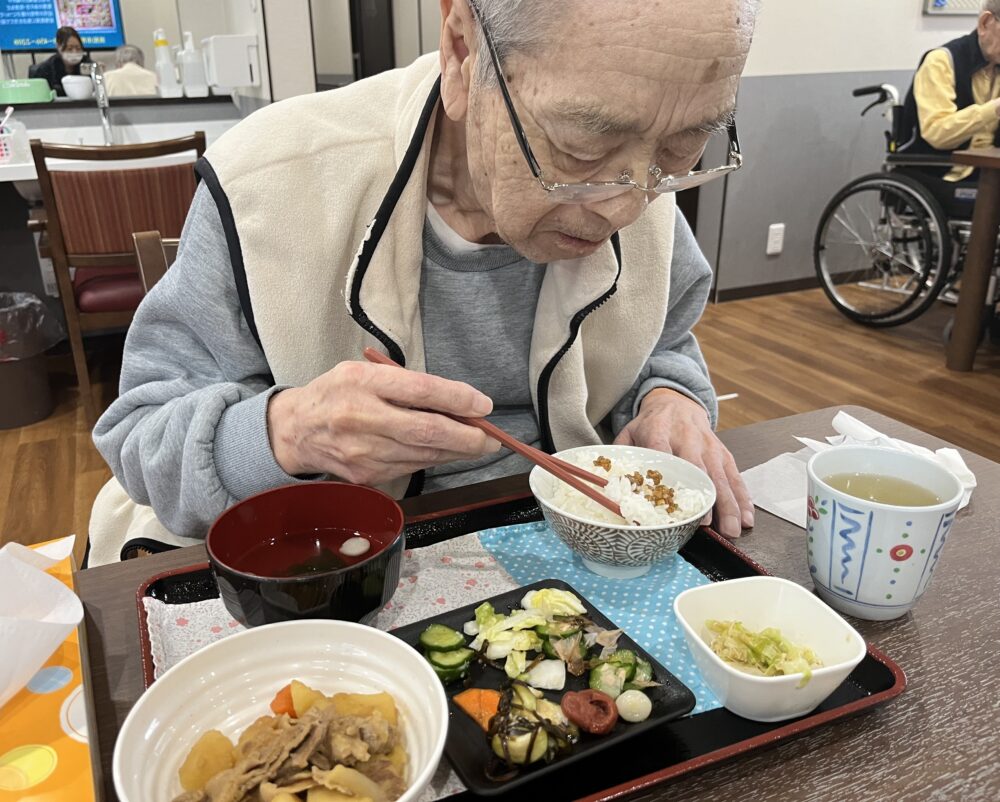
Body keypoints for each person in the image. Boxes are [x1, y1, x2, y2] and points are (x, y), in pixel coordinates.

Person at [88, 0, 759, 566]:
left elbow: (664, 338)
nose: (626, 205)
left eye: (682, 149)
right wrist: (290, 430)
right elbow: (141, 435)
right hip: (341, 570)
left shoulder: (639, 175)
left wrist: (673, 400)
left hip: (578, 558)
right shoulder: (268, 183)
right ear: (462, 49)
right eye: (582, 151)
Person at [897, 0, 1000, 217]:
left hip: (989, 172)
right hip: (943, 173)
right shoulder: (941, 62)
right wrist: (994, 109)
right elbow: (937, 132)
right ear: (985, 23)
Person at [28, 26, 91, 96]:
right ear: (59, 47)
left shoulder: (88, 65)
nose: (74, 52)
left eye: (78, 48)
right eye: (69, 49)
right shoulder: (46, 69)